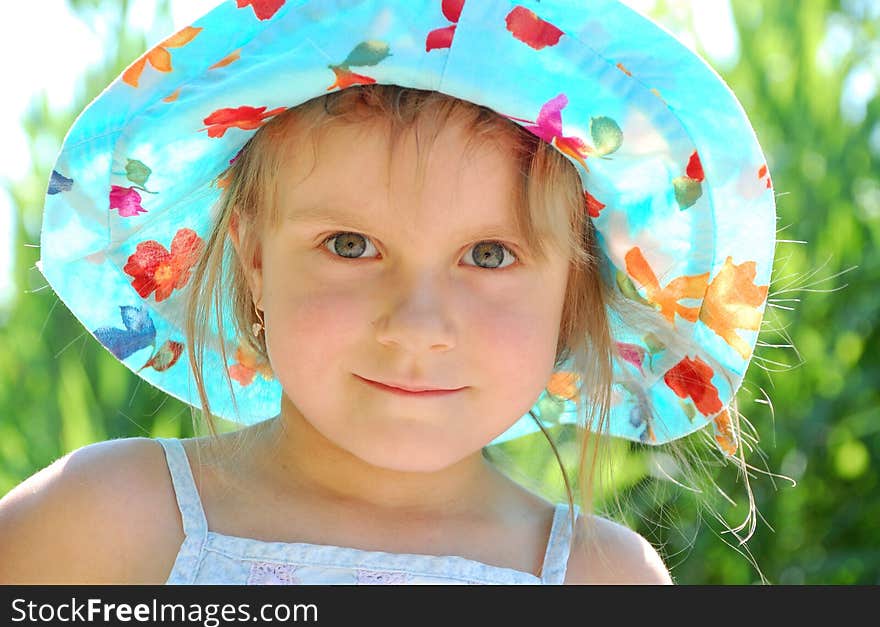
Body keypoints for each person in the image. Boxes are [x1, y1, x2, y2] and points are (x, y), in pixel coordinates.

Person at [0, 0, 777, 584]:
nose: (417, 325)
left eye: (489, 253)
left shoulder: (604, 581)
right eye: (350, 245)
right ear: (255, 260)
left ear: (572, 291)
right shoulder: (108, 525)